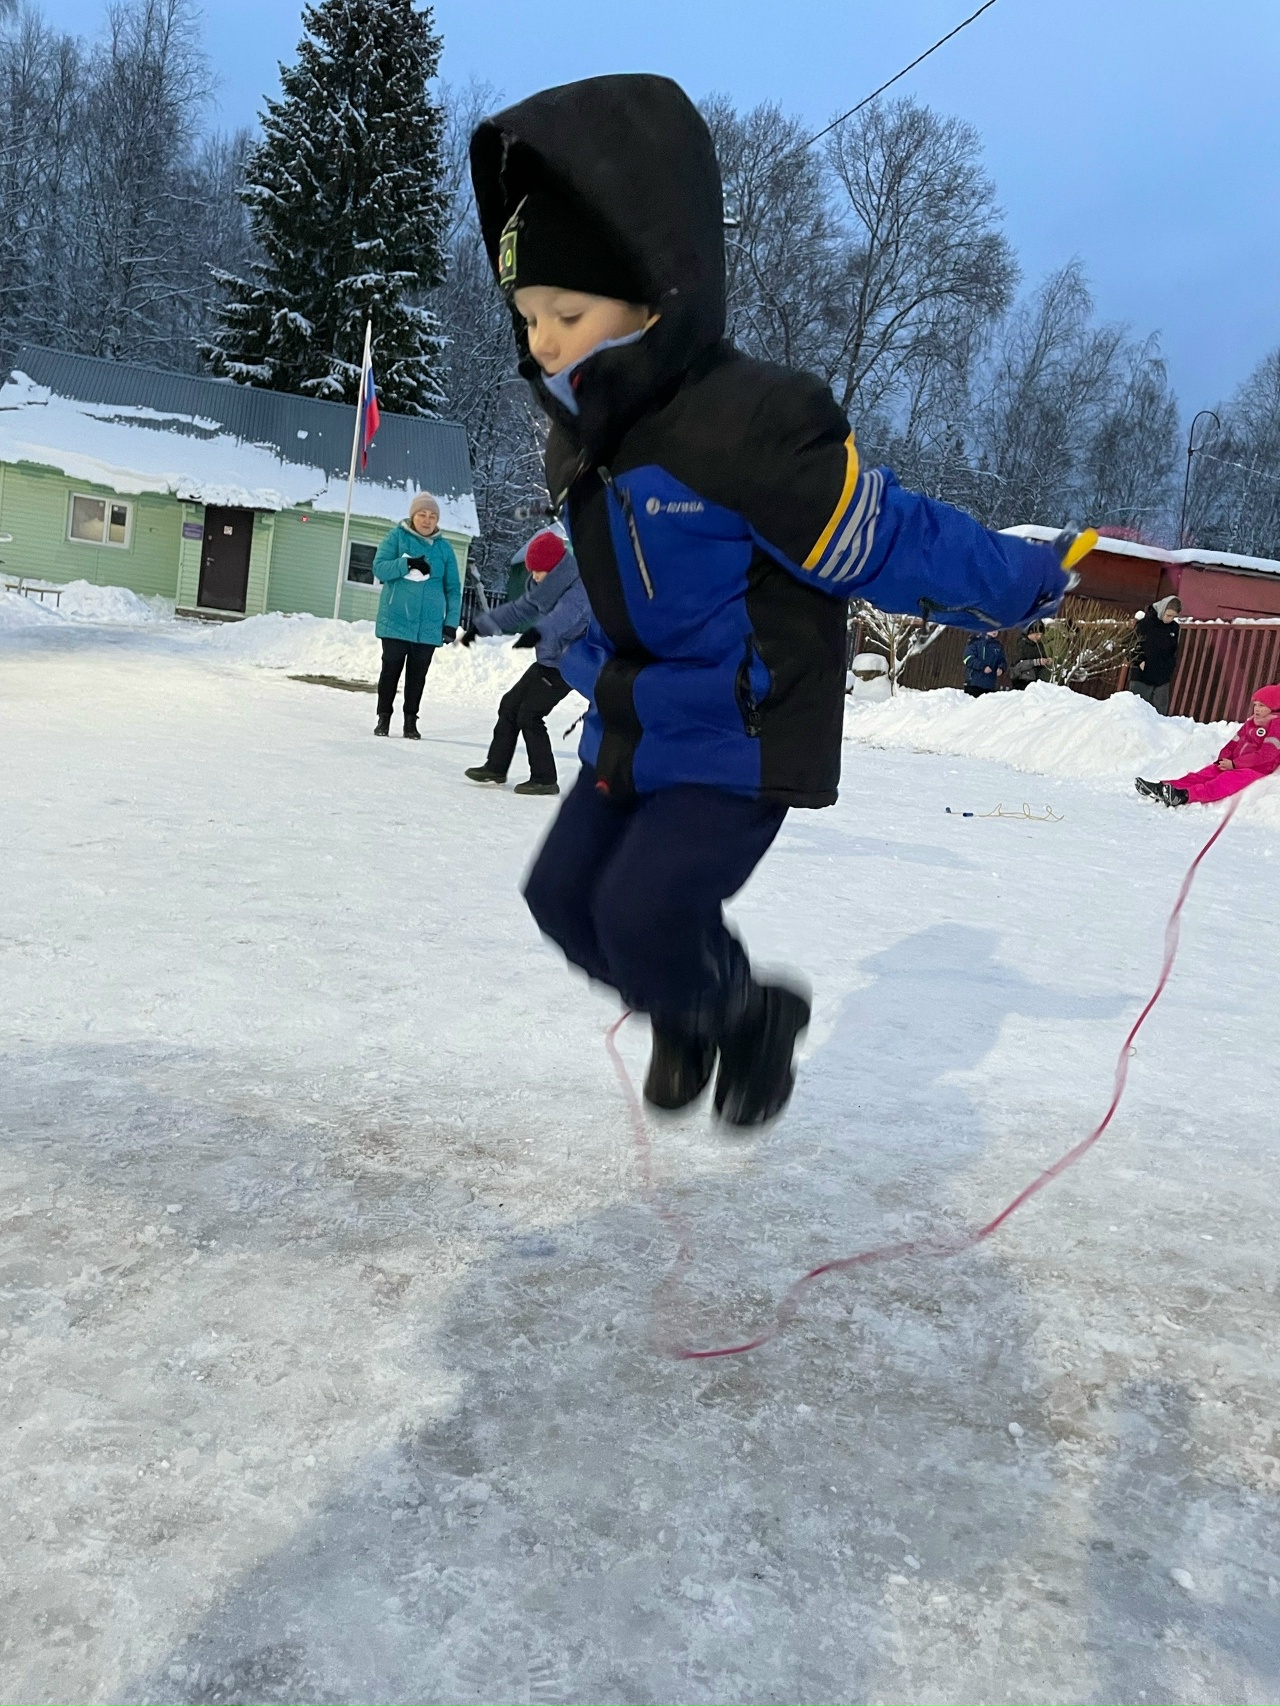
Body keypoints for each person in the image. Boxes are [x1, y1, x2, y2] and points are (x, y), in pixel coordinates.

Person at [468, 74, 1089, 1126]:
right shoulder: (590, 442)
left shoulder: (749, 426)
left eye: (565, 312)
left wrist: (1020, 580)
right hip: (638, 727)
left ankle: (748, 1015)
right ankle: (686, 1001)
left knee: (643, 906)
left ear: (653, 294)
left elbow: (888, 537)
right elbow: (602, 589)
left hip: (738, 737)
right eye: (528, 316)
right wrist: (530, 635)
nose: (540, 340)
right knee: (564, 903)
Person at [461, 528, 590, 796]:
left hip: (569, 664)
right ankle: (495, 768)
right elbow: (520, 609)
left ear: (555, 568)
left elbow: (563, 619)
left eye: (539, 570)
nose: (534, 576)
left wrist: (536, 633)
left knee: (530, 714)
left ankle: (545, 779)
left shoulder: (580, 588)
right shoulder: (546, 586)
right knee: (509, 704)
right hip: (549, 659)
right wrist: (483, 625)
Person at [371, 492, 461, 739]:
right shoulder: (396, 537)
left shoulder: (444, 548)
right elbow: (378, 568)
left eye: (432, 516)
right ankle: (384, 718)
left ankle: (410, 721)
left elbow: (453, 589)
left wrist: (450, 623)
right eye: (422, 514)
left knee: (417, 677)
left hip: (428, 626)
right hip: (395, 621)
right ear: (413, 516)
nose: (427, 520)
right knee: (390, 670)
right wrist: (407, 564)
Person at [1136, 684, 1280, 806]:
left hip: (1255, 769)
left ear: (1273, 707)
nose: (1257, 709)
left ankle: (1184, 795)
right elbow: (1234, 742)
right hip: (1232, 764)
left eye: (1262, 706)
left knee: (1222, 782)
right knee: (1202, 775)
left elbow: (1267, 754)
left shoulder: (1276, 725)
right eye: (1255, 705)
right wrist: (1224, 758)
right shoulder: (1251, 723)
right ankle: (1164, 787)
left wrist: (1235, 764)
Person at [1128, 595, 1181, 715]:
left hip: (1162, 677)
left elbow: (1173, 650)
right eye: (1168, 615)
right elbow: (1130, 644)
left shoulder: (1174, 628)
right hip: (1142, 675)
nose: (1170, 619)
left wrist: (1170, 666)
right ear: (1162, 610)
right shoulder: (1145, 623)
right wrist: (1139, 660)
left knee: (1159, 716)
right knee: (1136, 713)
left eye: (1174, 616)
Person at [963, 630, 1008, 697]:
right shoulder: (975, 642)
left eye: (997, 629)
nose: (995, 631)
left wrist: (1001, 668)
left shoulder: (998, 646)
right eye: (992, 629)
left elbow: (1002, 660)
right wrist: (982, 667)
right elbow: (968, 659)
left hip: (990, 685)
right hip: (974, 684)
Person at [1010, 620, 1051, 689]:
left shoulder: (1040, 645)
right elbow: (1018, 665)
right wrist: (1037, 662)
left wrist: (1047, 661)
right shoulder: (1021, 644)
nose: (1039, 637)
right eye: (1037, 634)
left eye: (1041, 634)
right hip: (1022, 680)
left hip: (1037, 681)